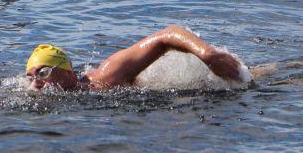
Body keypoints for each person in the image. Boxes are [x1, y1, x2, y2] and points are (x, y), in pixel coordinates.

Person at [24, 24, 251, 92]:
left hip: (196, 70)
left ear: (67, 71)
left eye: (43, 73)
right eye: (30, 77)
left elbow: (167, 35)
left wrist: (208, 55)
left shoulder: (108, 75)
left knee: (257, 78)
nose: (36, 83)